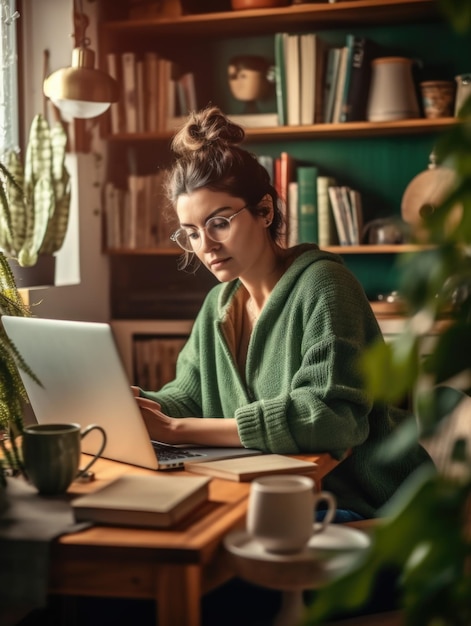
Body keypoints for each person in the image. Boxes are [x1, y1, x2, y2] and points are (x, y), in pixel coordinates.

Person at [133, 105, 432, 522]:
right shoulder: (219, 306)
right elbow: (189, 396)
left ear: (265, 212)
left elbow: (328, 418)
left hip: (358, 503)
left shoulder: (325, 287)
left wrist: (175, 431)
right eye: (192, 233)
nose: (206, 246)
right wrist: (136, 406)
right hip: (274, 494)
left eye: (219, 222)